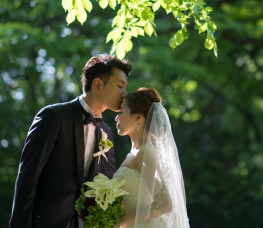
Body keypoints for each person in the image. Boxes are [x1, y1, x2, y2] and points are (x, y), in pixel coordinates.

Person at [9, 54, 132, 228]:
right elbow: (28, 177)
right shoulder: (53, 117)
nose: (124, 94)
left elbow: (108, 183)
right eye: (120, 86)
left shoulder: (106, 132)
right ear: (98, 84)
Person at [113, 87, 190, 228]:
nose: (116, 117)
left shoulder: (145, 151)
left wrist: (120, 221)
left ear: (138, 118)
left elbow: (165, 204)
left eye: (121, 112)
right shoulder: (134, 152)